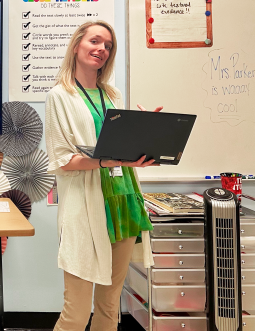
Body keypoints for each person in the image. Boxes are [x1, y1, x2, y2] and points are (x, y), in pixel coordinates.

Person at [45, 20, 161, 331]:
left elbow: (119, 149)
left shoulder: (112, 94)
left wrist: (145, 134)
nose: (102, 49)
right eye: (95, 41)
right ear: (76, 45)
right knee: (76, 312)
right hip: (86, 209)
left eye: (108, 46)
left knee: (110, 308)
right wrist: (107, 160)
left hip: (123, 202)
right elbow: (63, 160)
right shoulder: (60, 95)